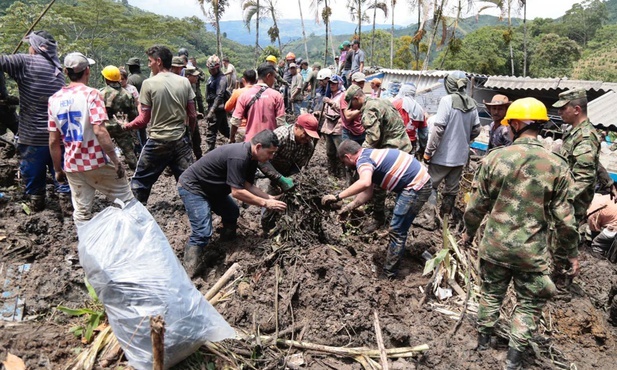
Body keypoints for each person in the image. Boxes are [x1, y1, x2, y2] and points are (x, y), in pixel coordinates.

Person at [462, 97, 579, 370]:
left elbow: (476, 206)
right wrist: (570, 254)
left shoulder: (495, 158)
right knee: (528, 304)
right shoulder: (557, 165)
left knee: (491, 294)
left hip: (495, 245)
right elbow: (565, 220)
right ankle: (513, 361)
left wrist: (468, 233)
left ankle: (482, 345)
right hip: (531, 251)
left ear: (515, 123)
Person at [178, 129, 287, 276]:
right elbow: (237, 192)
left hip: (214, 189)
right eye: (270, 152)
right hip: (194, 188)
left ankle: (227, 245)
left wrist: (269, 197)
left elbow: (247, 185)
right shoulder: (239, 156)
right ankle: (189, 272)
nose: (271, 157)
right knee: (202, 232)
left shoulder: (252, 158)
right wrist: (265, 203)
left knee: (232, 212)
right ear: (258, 147)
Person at [322, 140, 432, 278]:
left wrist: (338, 196)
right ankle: (393, 263)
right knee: (398, 228)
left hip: (415, 187)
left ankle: (389, 274)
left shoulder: (363, 160)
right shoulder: (369, 155)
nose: (346, 166)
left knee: (397, 230)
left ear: (348, 157)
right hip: (414, 183)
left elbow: (364, 182)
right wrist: (349, 207)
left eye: (344, 162)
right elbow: (367, 192)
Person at [48, 52, 133, 225]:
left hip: (73, 164)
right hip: (97, 161)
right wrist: (116, 161)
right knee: (127, 201)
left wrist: (58, 169)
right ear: (87, 71)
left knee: (82, 212)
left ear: (65, 72)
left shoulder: (54, 99)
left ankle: (86, 249)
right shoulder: (92, 95)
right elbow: (100, 131)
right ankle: (135, 239)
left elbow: (53, 140)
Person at [0, 30, 70, 211]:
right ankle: (68, 206)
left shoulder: (25, 61)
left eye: (30, 44)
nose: (29, 48)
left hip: (32, 136)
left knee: (33, 175)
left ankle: (36, 204)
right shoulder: (58, 70)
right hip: (58, 136)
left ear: (37, 47)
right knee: (61, 175)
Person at [122, 45, 196, 204]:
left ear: (159, 61)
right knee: (191, 183)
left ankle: (134, 218)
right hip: (180, 140)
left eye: (150, 61)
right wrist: (189, 134)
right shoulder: (184, 82)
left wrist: (126, 125)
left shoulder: (149, 84)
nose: (148, 65)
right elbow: (192, 114)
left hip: (157, 141)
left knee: (139, 183)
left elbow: (143, 120)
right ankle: (200, 217)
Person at [346, 84, 412, 229]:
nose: (354, 107)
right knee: (403, 183)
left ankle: (378, 217)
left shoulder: (368, 110)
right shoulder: (382, 101)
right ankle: (401, 213)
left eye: (353, 103)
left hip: (393, 148)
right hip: (404, 145)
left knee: (378, 182)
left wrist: (360, 156)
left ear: (357, 98)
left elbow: (373, 137)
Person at [553, 89, 601, 283]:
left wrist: (563, 198)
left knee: (564, 243)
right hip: (566, 200)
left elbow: (584, 177)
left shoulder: (585, 137)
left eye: (563, 108)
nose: (559, 113)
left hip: (573, 203)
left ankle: (562, 288)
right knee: (558, 241)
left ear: (577, 109)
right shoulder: (574, 133)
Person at [424, 71, 480, 218]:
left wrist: (428, 152)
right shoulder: (471, 103)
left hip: (442, 155)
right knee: (451, 189)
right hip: (460, 157)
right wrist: (464, 139)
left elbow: (438, 129)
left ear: (449, 84)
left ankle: (428, 219)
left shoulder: (447, 100)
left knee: (431, 186)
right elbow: (477, 129)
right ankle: (445, 219)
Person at [259, 114, 319, 232]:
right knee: (270, 200)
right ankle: (266, 227)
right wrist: (278, 179)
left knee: (289, 200)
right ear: (297, 126)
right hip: (266, 170)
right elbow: (262, 160)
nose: (307, 138)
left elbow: (297, 167)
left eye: (310, 136)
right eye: (306, 134)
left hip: (286, 173)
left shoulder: (308, 147)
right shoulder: (281, 135)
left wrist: (288, 181)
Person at [230, 63, 285, 143]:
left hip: (251, 142)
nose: (274, 80)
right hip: (269, 143)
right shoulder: (276, 96)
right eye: (274, 77)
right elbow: (281, 123)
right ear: (268, 76)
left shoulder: (244, 95)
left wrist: (231, 138)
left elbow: (235, 121)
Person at [99, 65, 139, 169]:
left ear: (106, 79)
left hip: (105, 127)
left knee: (102, 150)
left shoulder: (101, 93)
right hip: (121, 126)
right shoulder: (127, 94)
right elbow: (133, 114)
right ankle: (135, 170)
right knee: (129, 151)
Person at [392, 83, 428, 156]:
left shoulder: (395, 104)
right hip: (411, 144)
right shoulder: (420, 109)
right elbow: (424, 134)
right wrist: (423, 148)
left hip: (395, 142)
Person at [321, 75, 345, 176]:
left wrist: (330, 103)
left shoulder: (343, 95)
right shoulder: (330, 95)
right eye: (331, 83)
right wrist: (320, 113)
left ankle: (343, 174)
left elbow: (342, 110)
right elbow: (327, 111)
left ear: (339, 84)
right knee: (330, 152)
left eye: (334, 83)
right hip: (329, 125)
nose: (332, 85)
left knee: (341, 152)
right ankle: (332, 172)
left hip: (338, 126)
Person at [204, 55, 229, 152]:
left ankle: (209, 152)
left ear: (218, 68)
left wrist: (211, 111)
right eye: (210, 69)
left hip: (217, 108)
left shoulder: (221, 79)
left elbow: (220, 95)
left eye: (213, 69)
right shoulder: (211, 77)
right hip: (213, 106)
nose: (211, 71)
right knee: (224, 130)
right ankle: (236, 140)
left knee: (211, 131)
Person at [225, 69, 257, 142]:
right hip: (257, 128)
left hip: (242, 128)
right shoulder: (262, 92)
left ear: (243, 80)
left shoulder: (238, 92)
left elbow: (227, 107)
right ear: (256, 80)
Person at [586, 194, 617, 260]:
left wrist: (593, 241)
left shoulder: (591, 214)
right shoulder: (598, 196)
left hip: (614, 228)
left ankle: (599, 256)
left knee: (597, 245)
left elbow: (595, 232)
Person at [185, 66, 204, 159]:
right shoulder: (184, 87)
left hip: (192, 116)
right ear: (188, 76)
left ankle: (199, 157)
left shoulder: (191, 86)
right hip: (186, 119)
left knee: (196, 139)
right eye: (194, 76)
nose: (197, 78)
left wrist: (195, 112)